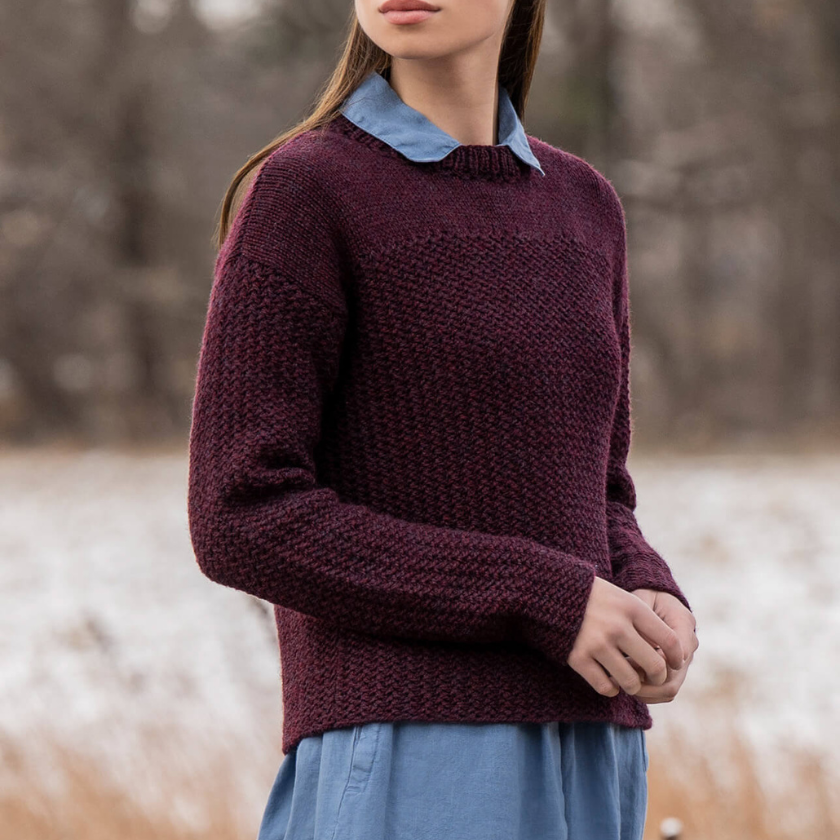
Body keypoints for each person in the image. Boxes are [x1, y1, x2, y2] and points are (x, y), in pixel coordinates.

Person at [186, 0, 699, 837]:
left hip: (593, 752)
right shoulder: (307, 191)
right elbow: (239, 513)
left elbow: (597, 487)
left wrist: (645, 586)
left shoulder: (583, 205)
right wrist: (544, 597)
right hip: (414, 753)